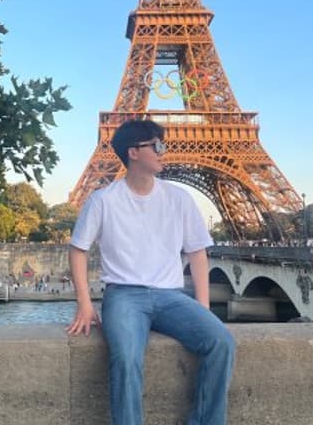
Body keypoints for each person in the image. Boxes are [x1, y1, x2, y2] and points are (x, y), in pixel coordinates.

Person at [66, 119, 235, 425]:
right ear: (133, 152)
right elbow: (78, 249)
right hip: (124, 295)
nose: (163, 150)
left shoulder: (179, 198)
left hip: (171, 296)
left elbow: (197, 251)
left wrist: (203, 305)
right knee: (126, 358)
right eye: (156, 145)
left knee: (221, 341)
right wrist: (85, 303)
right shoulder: (102, 200)